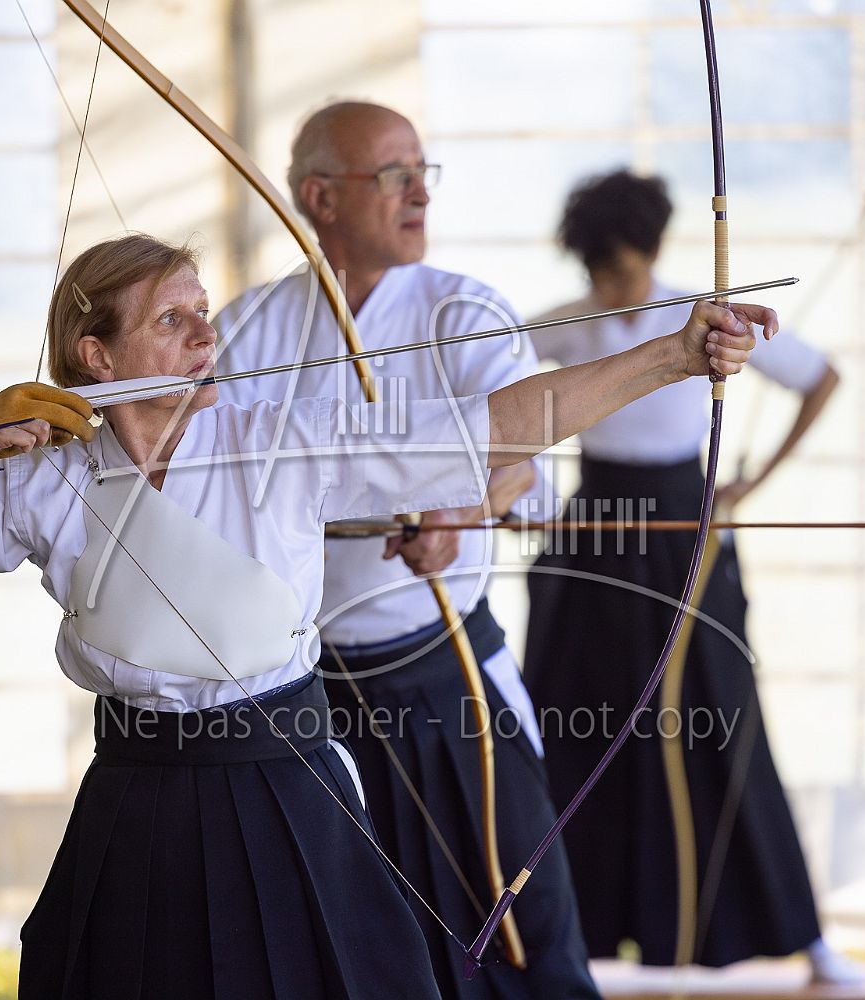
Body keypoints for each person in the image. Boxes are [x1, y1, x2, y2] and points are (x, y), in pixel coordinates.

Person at [0, 231, 774, 999]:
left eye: (204, 312)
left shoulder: (281, 439)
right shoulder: (36, 476)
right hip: (138, 790)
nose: (205, 335)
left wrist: (673, 355)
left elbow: (494, 427)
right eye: (171, 319)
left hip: (286, 777)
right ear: (95, 354)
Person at [213, 100, 594, 1000]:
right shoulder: (246, 328)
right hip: (307, 692)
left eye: (423, 171)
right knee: (349, 947)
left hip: (445, 673)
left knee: (517, 931)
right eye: (393, 174)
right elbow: (204, 477)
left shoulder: (465, 309)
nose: (420, 192)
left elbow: (520, 456)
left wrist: (461, 507)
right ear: (320, 197)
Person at [523, 169, 861, 985]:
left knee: (720, 717)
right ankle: (558, 941)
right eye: (600, 272)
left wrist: (750, 484)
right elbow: (490, 401)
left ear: (651, 250)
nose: (614, 288)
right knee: (575, 722)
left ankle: (804, 937)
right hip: (593, 534)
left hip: (686, 532)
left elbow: (819, 377)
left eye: (623, 269)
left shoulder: (701, 317)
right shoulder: (565, 322)